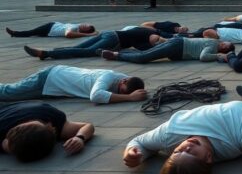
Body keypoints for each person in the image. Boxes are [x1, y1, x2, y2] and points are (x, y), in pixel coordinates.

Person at [0, 101, 94, 162]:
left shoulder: (51, 118)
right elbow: (88, 126)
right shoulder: (52, 118)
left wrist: (80, 138)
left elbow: (87, 126)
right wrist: (80, 138)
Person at [0, 65, 147, 104]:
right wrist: (130, 98)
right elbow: (95, 96)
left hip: (54, 81)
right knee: (9, 93)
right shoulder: (108, 76)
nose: (119, 93)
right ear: (124, 81)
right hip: (49, 79)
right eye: (121, 91)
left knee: (12, 93)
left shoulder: (123, 79)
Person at [22, 27, 160, 59]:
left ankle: (48, 52)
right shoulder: (147, 33)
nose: (156, 41)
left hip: (109, 33)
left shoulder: (142, 32)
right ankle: (46, 53)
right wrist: (157, 44)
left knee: (77, 48)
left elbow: (140, 47)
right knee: (86, 52)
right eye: (156, 40)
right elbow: (141, 48)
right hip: (113, 39)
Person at [101, 37, 234, 63]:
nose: (223, 44)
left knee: (145, 54)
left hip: (178, 44)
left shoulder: (213, 43)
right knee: (144, 57)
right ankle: (117, 55)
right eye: (225, 43)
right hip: (178, 46)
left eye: (225, 45)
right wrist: (216, 56)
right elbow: (203, 57)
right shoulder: (213, 46)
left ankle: (119, 52)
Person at [6, 22, 97, 38]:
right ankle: (15, 33)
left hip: (49, 29)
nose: (84, 25)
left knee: (32, 32)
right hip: (52, 26)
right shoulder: (77, 26)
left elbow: (68, 34)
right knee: (34, 33)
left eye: (85, 27)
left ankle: (14, 33)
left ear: (83, 31)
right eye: (86, 24)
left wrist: (89, 35)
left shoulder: (74, 29)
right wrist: (93, 32)